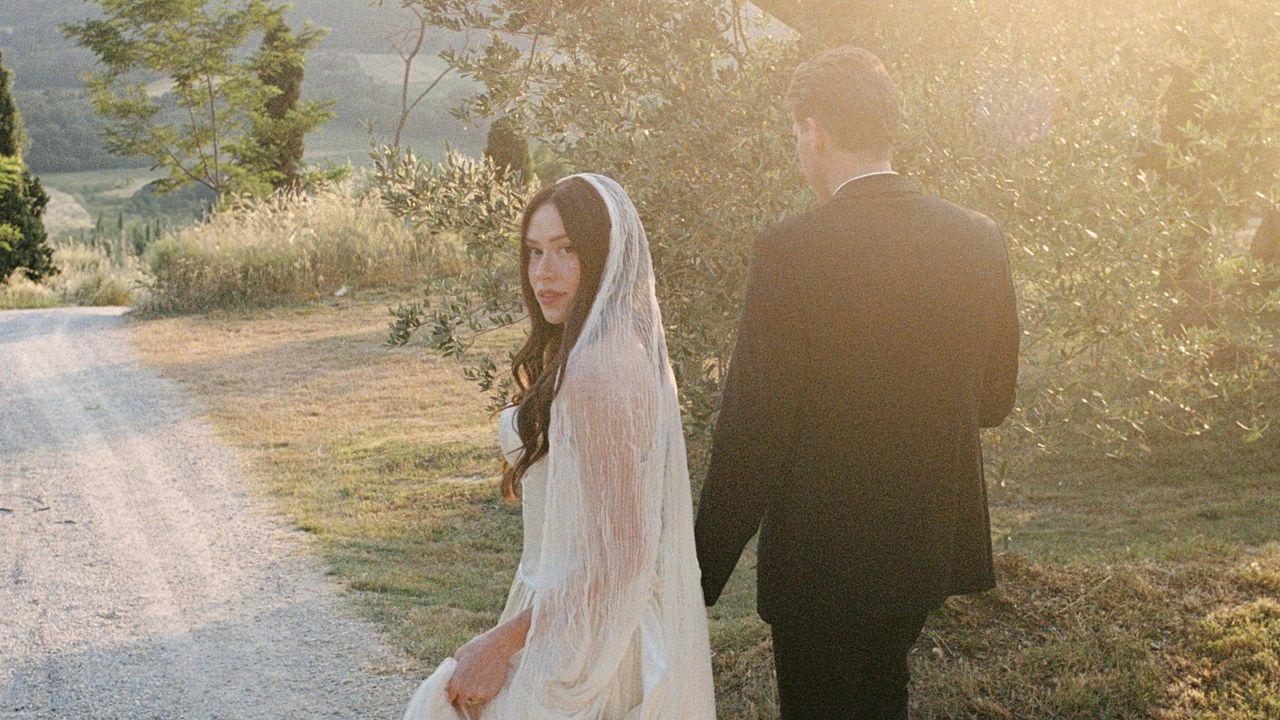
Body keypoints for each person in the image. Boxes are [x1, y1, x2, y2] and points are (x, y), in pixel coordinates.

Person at [694, 46, 1020, 719]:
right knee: (880, 699)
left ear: (814, 131)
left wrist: (699, 569)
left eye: (796, 136)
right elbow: (993, 402)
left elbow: (753, 427)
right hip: (920, 549)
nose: (798, 151)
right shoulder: (977, 238)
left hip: (819, 562)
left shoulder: (790, 250)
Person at [403, 174, 717, 720]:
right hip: (565, 610)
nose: (544, 272)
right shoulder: (598, 348)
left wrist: (500, 643)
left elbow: (623, 555)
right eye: (534, 252)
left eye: (566, 250)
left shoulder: (599, 368)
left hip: (592, 639)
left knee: (440, 705)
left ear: (602, 256)